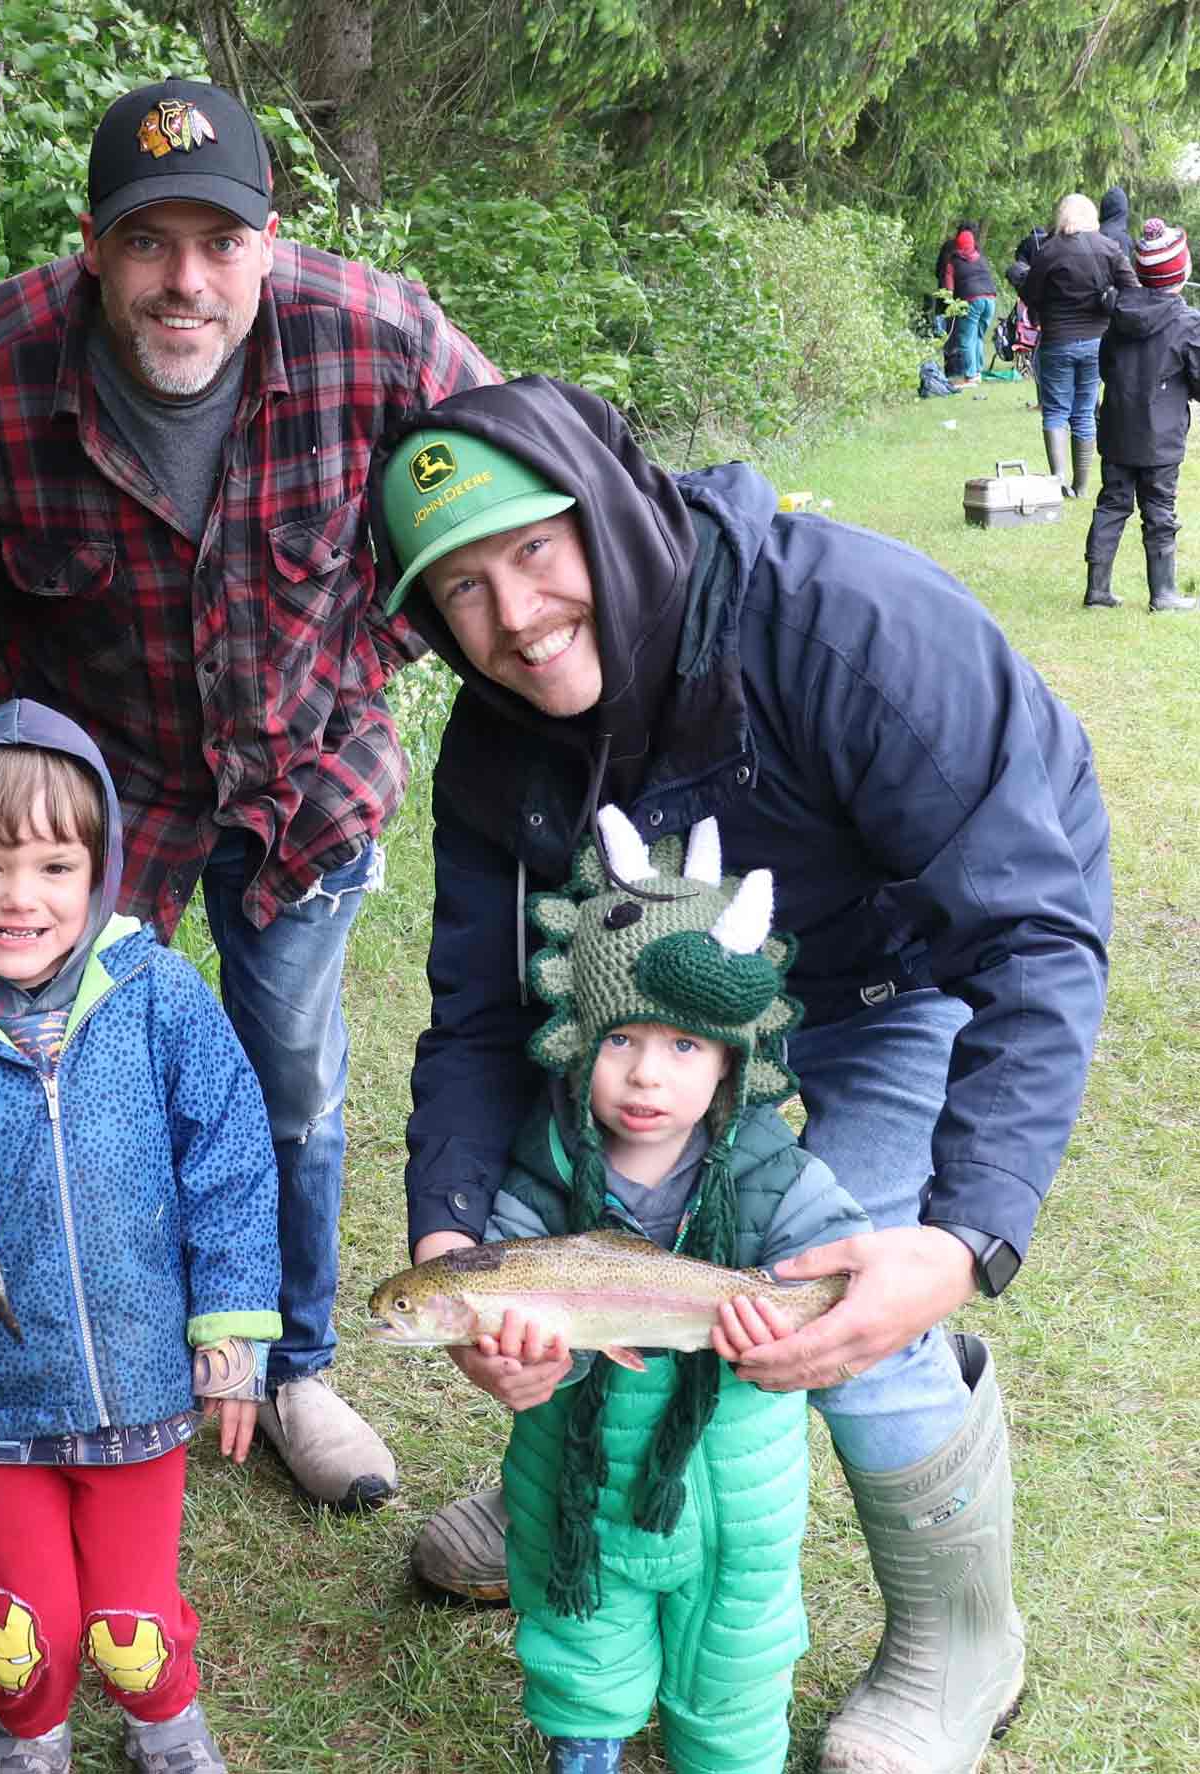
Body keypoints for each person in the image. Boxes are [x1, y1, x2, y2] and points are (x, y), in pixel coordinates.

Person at [370, 386, 1111, 1774]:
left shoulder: (847, 627)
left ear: (604, 506)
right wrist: (457, 1249)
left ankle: (962, 1637)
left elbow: (1032, 931)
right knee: (601, 1210)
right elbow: (478, 1018)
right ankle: (593, 1461)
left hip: (905, 965)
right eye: (460, 590)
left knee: (839, 1282)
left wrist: (958, 1243)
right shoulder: (492, 742)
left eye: (536, 551)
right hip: (665, 1007)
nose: (514, 617)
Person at [0, 76, 497, 1511]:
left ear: (269, 243)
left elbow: (500, 488)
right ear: (93, 247)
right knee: (85, 1082)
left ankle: (294, 1365)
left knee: (287, 1085)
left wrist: (380, 635)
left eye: (218, 243)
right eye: (148, 242)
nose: (186, 281)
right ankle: (98, 1347)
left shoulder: (378, 336)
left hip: (308, 774)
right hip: (110, 799)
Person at [0, 699, 280, 1774]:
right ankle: (30, 1736)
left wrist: (231, 1335)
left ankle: (166, 1725)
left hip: (138, 1384)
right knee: (17, 1617)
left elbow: (230, 1166)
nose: (20, 897)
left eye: (52, 865)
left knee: (129, 1628)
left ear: (103, 868)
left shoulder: (160, 996)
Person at [456, 807, 873, 1774]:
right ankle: (587, 1748)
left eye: (685, 1047)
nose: (647, 1074)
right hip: (580, 1480)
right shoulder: (544, 1170)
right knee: (579, 1629)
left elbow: (843, 1276)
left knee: (735, 1659)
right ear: (576, 1039)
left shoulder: (777, 1173)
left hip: (740, 1487)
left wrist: (797, 1336)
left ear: (734, 1058)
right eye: (622, 1041)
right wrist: (513, 1358)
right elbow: (508, 1291)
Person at [1083, 218, 1200, 612]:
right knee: (1159, 512)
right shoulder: (1187, 323)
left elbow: (1105, 367)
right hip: (1160, 438)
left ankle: (1097, 590)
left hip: (1116, 429)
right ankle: (1163, 593)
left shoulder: (1117, 313)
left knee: (1112, 504)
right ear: (1181, 275)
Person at [1025, 191, 1139, 496]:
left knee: (1055, 411)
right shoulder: (1109, 248)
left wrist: (1042, 315)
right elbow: (1133, 289)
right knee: (1085, 410)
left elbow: (1030, 293)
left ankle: (1059, 479)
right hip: (1096, 343)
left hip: (1057, 341)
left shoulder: (1048, 251)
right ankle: (1082, 485)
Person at [941, 228, 998, 385]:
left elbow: (949, 289)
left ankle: (971, 376)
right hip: (990, 300)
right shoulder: (981, 259)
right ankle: (978, 371)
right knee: (978, 336)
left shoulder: (952, 262)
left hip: (972, 300)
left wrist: (950, 305)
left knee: (966, 338)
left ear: (957, 246)